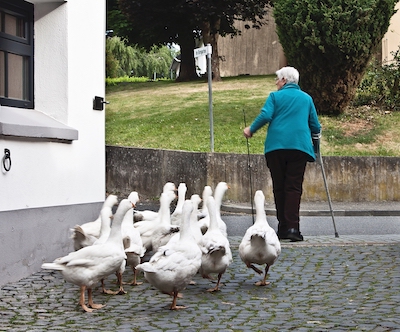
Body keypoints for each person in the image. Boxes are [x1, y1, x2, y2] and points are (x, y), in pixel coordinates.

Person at [243, 66, 321, 242]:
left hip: (276, 148)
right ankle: (293, 227)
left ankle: (283, 227)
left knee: (279, 187)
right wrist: (315, 148)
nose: (276, 83)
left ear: (285, 80)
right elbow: (315, 127)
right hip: (299, 148)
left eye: (277, 79)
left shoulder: (275, 97)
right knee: (293, 187)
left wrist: (251, 129)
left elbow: (266, 115)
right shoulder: (307, 99)